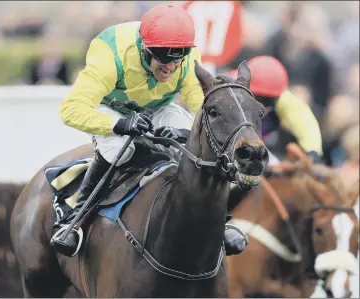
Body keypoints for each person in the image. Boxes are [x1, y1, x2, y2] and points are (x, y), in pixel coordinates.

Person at [51, 3, 248, 257]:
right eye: (163, 60)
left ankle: (218, 223)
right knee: (119, 152)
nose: (170, 68)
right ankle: (74, 220)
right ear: (145, 50)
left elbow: (202, 106)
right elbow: (70, 109)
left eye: (176, 61)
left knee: (197, 143)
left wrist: (187, 132)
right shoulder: (110, 55)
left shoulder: (186, 59)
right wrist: (122, 124)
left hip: (158, 108)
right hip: (111, 108)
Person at [226, 55, 323, 166]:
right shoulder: (230, 91)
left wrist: (313, 152)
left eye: (266, 101)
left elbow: (307, 125)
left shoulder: (284, 100)